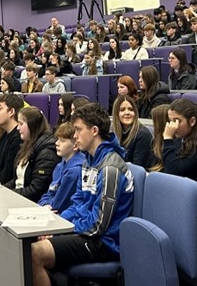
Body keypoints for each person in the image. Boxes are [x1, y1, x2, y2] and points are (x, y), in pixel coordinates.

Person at [30, 103, 134, 286]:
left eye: (78, 130)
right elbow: (77, 202)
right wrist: (58, 226)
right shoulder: (88, 161)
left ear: (94, 130)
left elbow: (99, 224)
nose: (75, 136)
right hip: (85, 232)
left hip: (104, 242)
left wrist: (65, 230)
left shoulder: (110, 168)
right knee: (28, 241)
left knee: (37, 252)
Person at [4, 106, 60, 202]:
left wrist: (7, 196)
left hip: (29, 202)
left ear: (32, 125)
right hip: (19, 197)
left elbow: (36, 190)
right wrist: (1, 190)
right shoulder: (27, 145)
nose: (18, 128)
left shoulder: (46, 154)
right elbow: (17, 180)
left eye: (21, 124)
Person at [38, 122, 84, 214]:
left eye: (62, 140)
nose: (56, 143)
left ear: (75, 145)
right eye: (57, 139)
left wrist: (47, 206)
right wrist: (44, 204)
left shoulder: (74, 171)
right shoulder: (59, 166)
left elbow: (57, 205)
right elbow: (49, 193)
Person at [111, 96, 152, 168]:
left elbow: (137, 168)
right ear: (116, 114)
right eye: (122, 110)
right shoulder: (113, 132)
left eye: (131, 109)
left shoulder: (143, 135)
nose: (127, 113)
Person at [0, 94, 24, 185]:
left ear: (11, 112)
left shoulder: (18, 138)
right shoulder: (4, 136)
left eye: (0, 109)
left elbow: (8, 174)